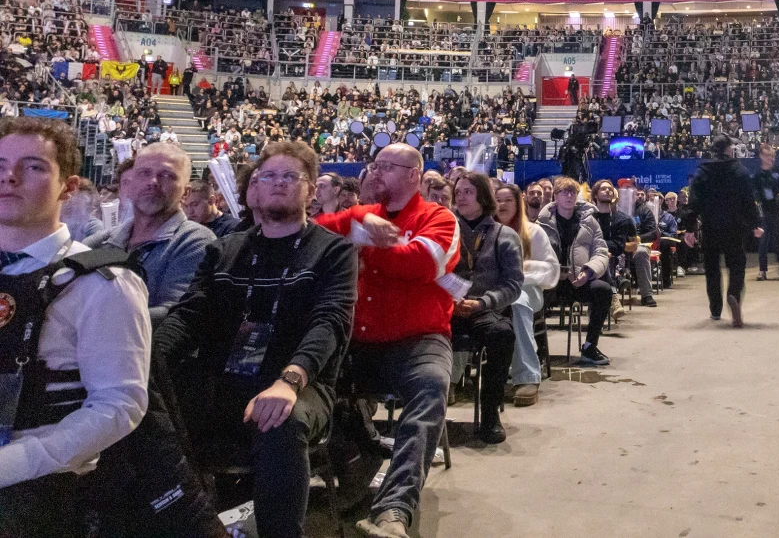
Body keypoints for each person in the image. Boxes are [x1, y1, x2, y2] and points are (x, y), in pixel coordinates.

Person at [154, 141, 357, 538]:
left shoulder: (333, 252)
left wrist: (291, 379)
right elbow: (190, 315)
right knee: (141, 409)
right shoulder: (224, 250)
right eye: (268, 176)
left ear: (312, 191)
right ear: (253, 191)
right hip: (221, 379)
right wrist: (147, 363)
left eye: (290, 176)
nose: (278, 183)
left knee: (280, 421)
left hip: (300, 384)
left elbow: (330, 323)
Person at [0, 118, 166, 534]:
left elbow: (119, 405)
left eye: (34, 166)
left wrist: (13, 464)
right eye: (0, 163)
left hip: (40, 482)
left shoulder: (103, 282)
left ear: (68, 187)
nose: (9, 176)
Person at [312, 143, 461, 538]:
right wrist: (362, 216)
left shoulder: (439, 217)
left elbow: (424, 262)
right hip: (358, 340)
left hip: (419, 339)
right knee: (311, 380)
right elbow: (319, 233)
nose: (374, 174)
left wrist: (361, 246)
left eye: (386, 167)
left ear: (414, 174)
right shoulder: (366, 215)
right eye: (373, 167)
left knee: (430, 388)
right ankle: (358, 459)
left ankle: (394, 509)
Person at [85, 142, 216, 325]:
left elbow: (175, 313)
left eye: (167, 175)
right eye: (144, 173)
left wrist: (91, 321)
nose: (153, 182)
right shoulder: (101, 241)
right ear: (130, 186)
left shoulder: (195, 241)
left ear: (185, 194)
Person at [449, 172, 522, 444]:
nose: (461, 196)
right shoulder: (446, 230)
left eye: (468, 191)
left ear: (483, 196)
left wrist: (483, 302)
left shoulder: (504, 235)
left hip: (484, 310)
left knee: (502, 334)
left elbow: (513, 284)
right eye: (458, 192)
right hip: (446, 309)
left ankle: (490, 412)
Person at [688, 135, 763, 327]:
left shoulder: (702, 172)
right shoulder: (740, 171)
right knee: (737, 265)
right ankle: (733, 294)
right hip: (735, 227)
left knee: (712, 268)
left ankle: (715, 309)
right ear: (729, 149)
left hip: (710, 227)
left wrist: (689, 229)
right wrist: (756, 223)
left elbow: (694, 202)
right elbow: (748, 201)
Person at [538, 177, 614, 366]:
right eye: (565, 192)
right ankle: (539, 350)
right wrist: (550, 272)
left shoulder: (589, 222)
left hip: (578, 280)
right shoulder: (542, 223)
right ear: (556, 196)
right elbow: (534, 253)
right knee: (530, 297)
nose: (570, 196)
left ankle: (589, 347)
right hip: (549, 282)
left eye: (573, 192)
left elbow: (601, 251)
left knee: (604, 290)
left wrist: (588, 271)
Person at [495, 182, 557, 407]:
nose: (501, 204)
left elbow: (551, 270)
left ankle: (527, 377)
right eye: (498, 200)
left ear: (518, 203)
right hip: (492, 291)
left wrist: (521, 270)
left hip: (527, 290)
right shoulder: (487, 231)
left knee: (516, 302)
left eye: (507, 200)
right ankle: (451, 379)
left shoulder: (534, 232)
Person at [590, 179, 638, 319]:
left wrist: (599, 247)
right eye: (603, 189)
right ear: (595, 195)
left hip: (612, 259)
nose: (608, 191)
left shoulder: (621, 220)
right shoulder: (588, 217)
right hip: (587, 258)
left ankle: (598, 309)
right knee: (602, 257)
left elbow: (618, 246)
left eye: (610, 189)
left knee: (604, 258)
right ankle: (613, 296)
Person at [753, 143, 779, 281]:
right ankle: (762, 270)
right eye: (767, 155)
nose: (771, 158)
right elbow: (754, 194)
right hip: (763, 212)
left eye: (772, 156)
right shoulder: (757, 175)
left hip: (778, 210)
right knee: (762, 241)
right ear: (761, 156)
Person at [620, 179, 659, 307]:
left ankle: (647, 295)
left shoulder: (644, 210)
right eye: (624, 189)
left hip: (639, 245)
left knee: (641, 253)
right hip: (619, 243)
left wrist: (638, 238)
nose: (627, 192)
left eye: (629, 189)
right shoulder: (615, 208)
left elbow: (653, 233)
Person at [59, 177, 105, 243]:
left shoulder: (94, 226)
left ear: (88, 201)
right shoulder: (56, 221)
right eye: (67, 195)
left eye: (75, 196)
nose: (69, 201)